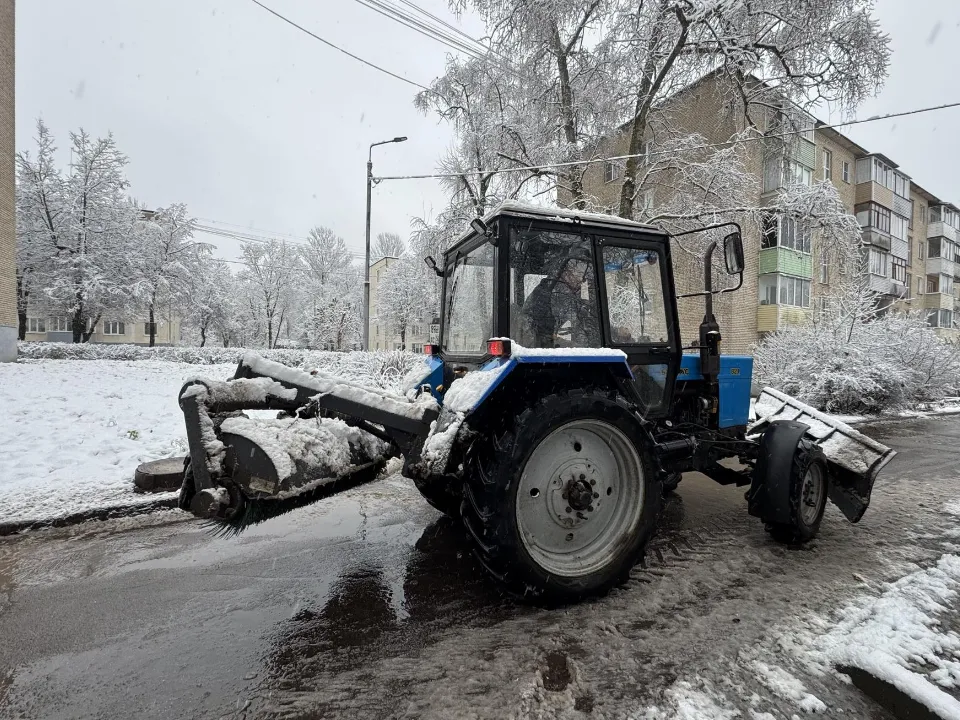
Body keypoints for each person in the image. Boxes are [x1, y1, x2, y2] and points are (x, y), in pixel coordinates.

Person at [519, 251, 601, 348]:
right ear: (567, 272)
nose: (581, 280)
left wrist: (616, 331)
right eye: (579, 275)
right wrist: (574, 346)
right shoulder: (554, 293)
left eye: (583, 276)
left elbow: (588, 321)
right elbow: (543, 334)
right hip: (544, 353)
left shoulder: (566, 293)